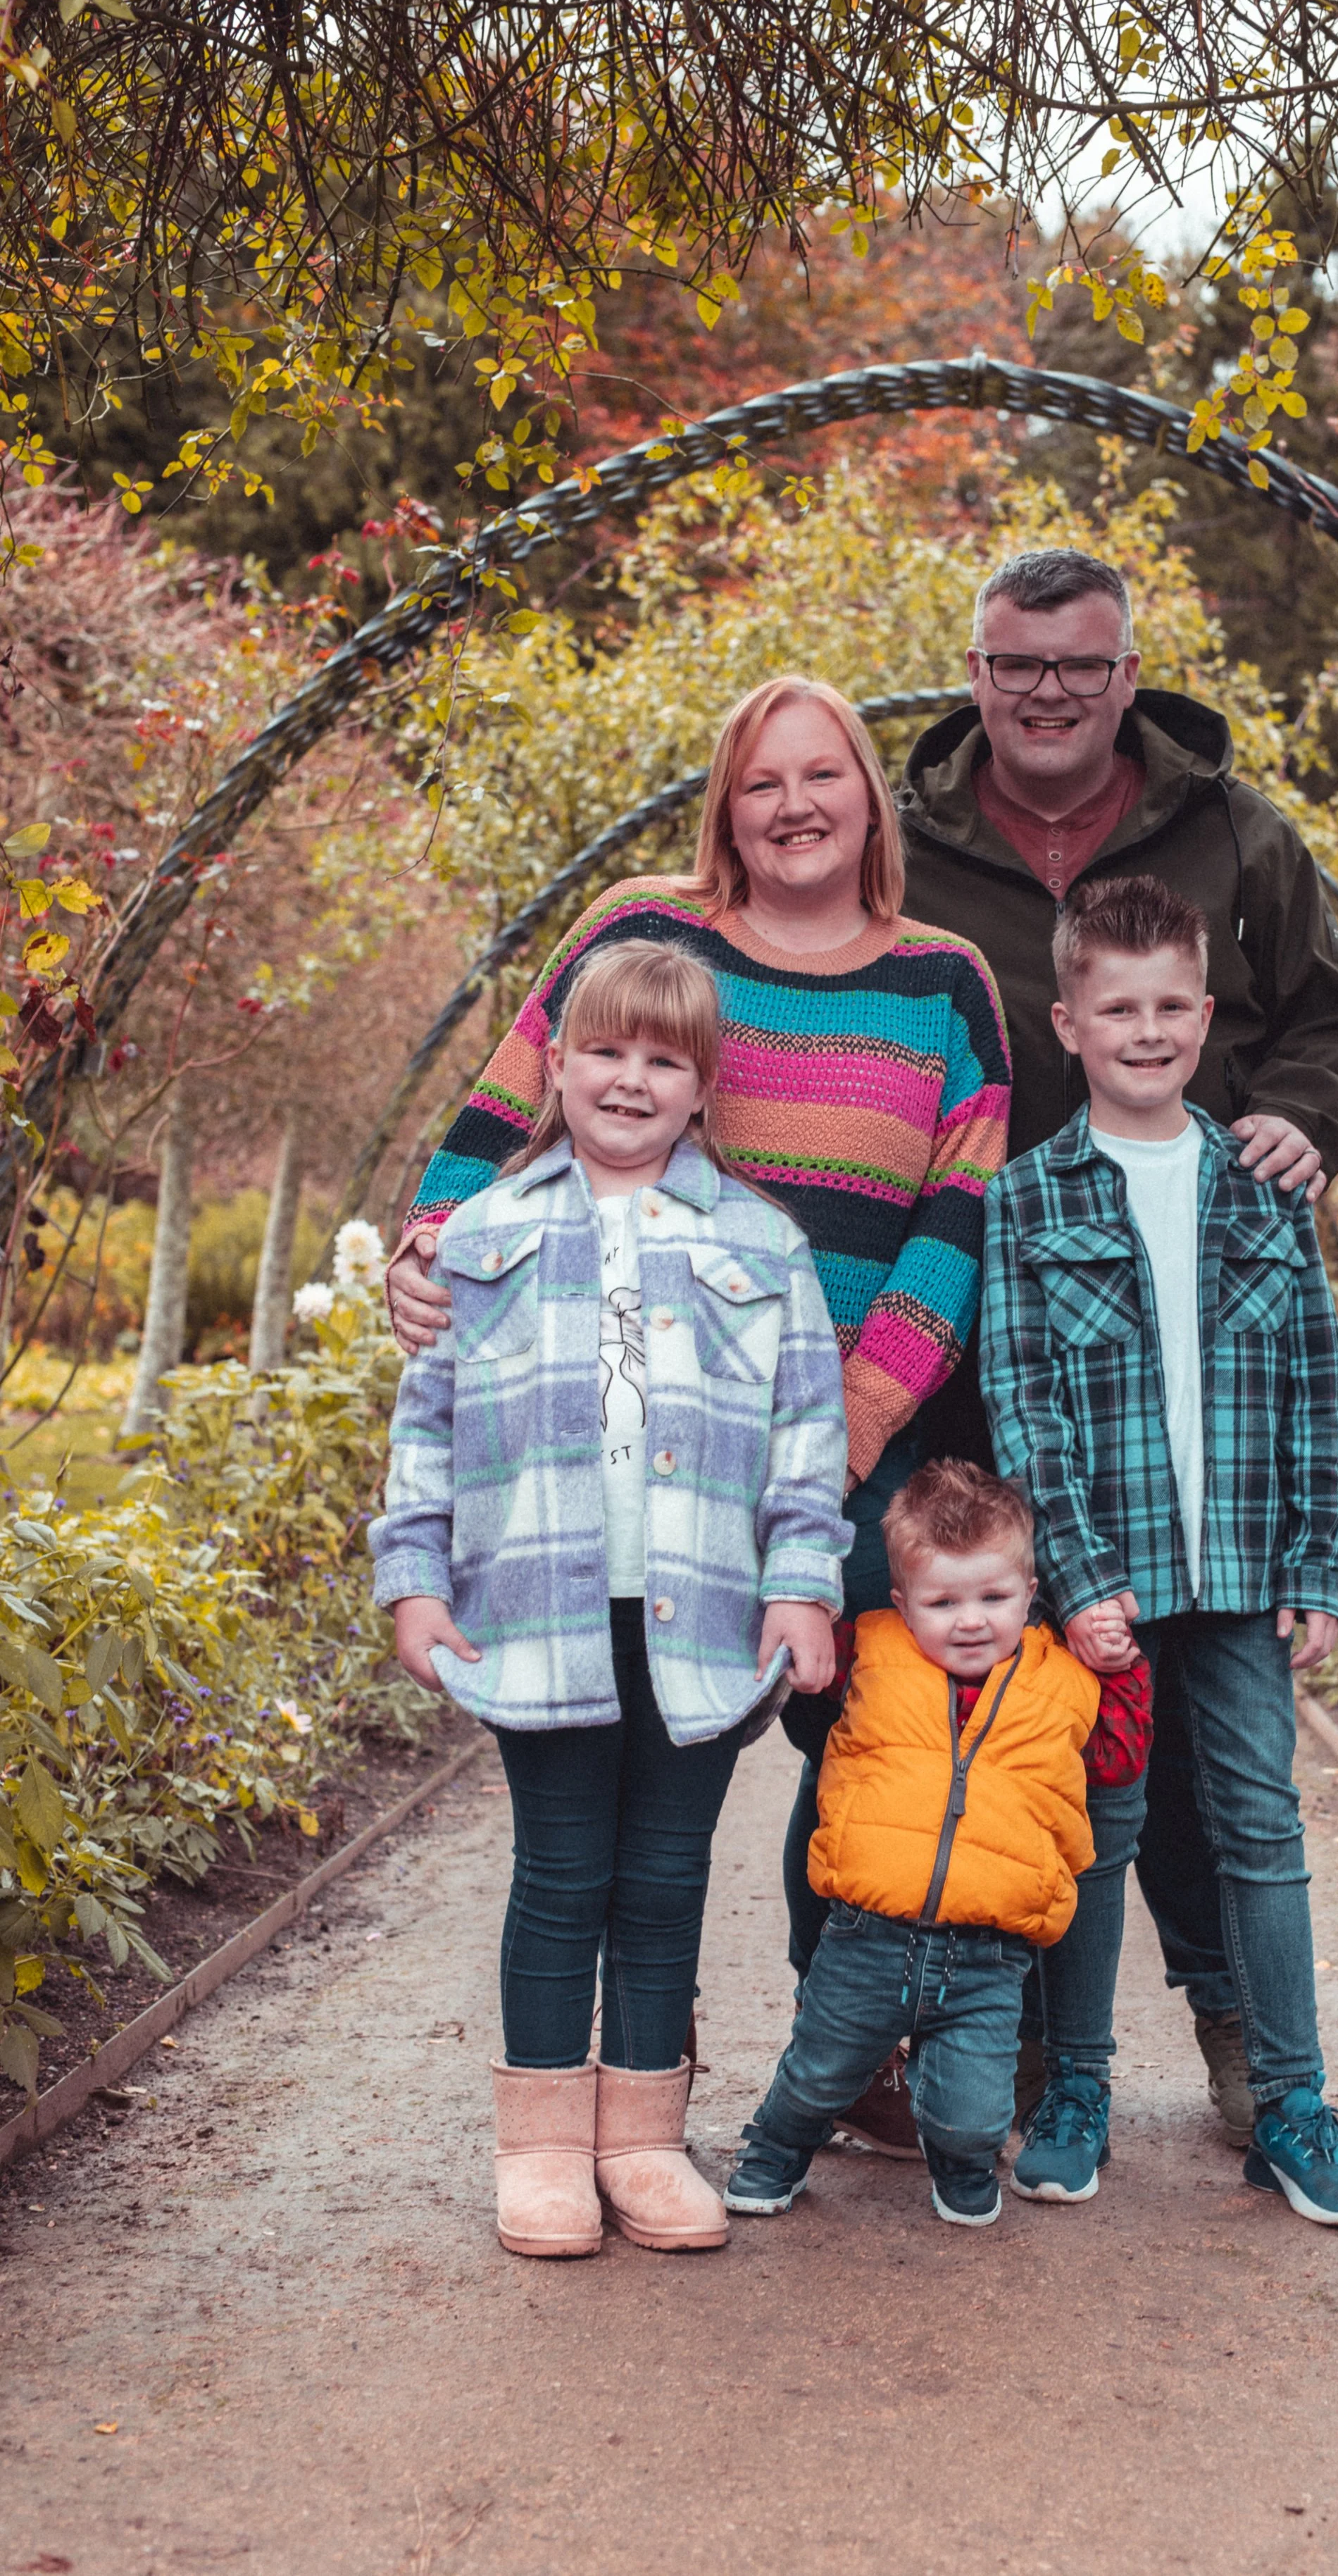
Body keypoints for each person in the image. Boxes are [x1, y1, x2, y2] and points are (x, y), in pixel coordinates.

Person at [383, 676, 1012, 2152]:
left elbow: (953, 1214)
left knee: (857, 1718)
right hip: (616, 1426)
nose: (793, 805)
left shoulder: (942, 980)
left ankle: (844, 2038)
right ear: (723, 806)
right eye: (759, 781)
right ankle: (590, 2114)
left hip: (826, 1433)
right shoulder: (638, 931)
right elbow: (505, 1104)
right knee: (632, 1789)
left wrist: (858, 1423)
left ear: (870, 796)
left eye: (823, 776)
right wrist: (431, 1248)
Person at [902, 545, 1338, 2150]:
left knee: (1177, 1735)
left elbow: (1332, 1026)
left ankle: (1240, 2036)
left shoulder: (1232, 837)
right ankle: (946, 2035)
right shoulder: (910, 848)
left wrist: (1298, 1123)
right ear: (974, 670)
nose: (1048, 692)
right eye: (1017, 664)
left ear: (1127, 673)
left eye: (1081, 666)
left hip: (1175, 1335)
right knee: (958, 1697)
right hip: (965, 1337)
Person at [369, 940, 854, 2259]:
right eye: (606, 1052)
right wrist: (414, 1579)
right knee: (560, 1871)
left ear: (702, 1087)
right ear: (562, 1065)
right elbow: (431, 1424)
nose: (630, 1080)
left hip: (700, 1620)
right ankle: (539, 2147)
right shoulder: (487, 1234)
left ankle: (642, 2138)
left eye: (663, 1060)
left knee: (662, 1876)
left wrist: (804, 1585)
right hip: (541, 1616)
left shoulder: (762, 1244)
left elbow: (810, 1435)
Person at [980, 876, 1338, 2226]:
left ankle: (1294, 2103)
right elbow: (1026, 1406)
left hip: (1246, 1581)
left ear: (1208, 1018)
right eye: (1118, 1007)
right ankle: (1077, 2089)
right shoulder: (1031, 1199)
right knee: (1100, 1830)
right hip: (1114, 1581)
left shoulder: (1264, 1183)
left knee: (1261, 1831)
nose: (1146, 1030)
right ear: (1070, 1022)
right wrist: (1082, 1579)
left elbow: (1318, 1386)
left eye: (1171, 1006)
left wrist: (1318, 1563)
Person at [724, 1460, 1151, 2228]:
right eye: (942, 1600)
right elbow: (808, 1691)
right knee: (818, 2070)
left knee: (974, 2109)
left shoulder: (1063, 1679)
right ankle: (775, 2148)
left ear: (1029, 1595)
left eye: (992, 1597)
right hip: (865, 1936)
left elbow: (1119, 1757)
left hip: (990, 1955)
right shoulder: (872, 1653)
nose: (969, 1620)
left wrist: (1122, 1671)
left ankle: (957, 2158)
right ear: (901, 1602)